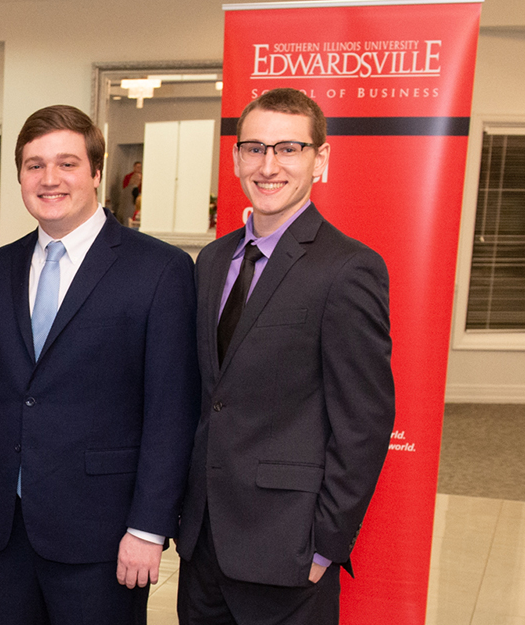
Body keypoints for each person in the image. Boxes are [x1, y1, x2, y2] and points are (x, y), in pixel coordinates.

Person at [0, 104, 200, 625]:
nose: (49, 179)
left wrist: (149, 527)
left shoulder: (159, 270)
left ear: (96, 173)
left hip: (103, 535)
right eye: (34, 165)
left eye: (67, 163)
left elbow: (171, 411)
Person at [175, 87, 394, 625]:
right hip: (203, 545)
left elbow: (364, 423)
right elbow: (210, 398)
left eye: (288, 149)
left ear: (320, 159)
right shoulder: (212, 259)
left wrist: (325, 546)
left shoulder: (348, 269)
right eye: (254, 148)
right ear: (235, 158)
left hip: (288, 549)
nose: (268, 165)